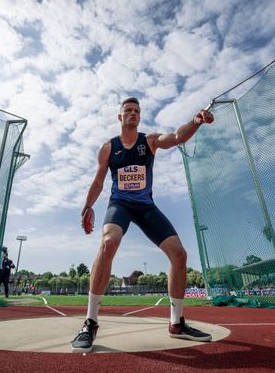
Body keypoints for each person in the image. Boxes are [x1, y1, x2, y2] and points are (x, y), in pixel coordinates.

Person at [71, 97, 214, 353]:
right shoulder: (108, 148)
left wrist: (196, 120)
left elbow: (177, 137)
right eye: (128, 110)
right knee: (108, 243)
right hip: (120, 205)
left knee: (179, 254)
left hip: (145, 206)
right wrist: (87, 206)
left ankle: (176, 323)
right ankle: (90, 322)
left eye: (137, 110)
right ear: (120, 117)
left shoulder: (149, 141)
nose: (133, 113)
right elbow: (98, 182)